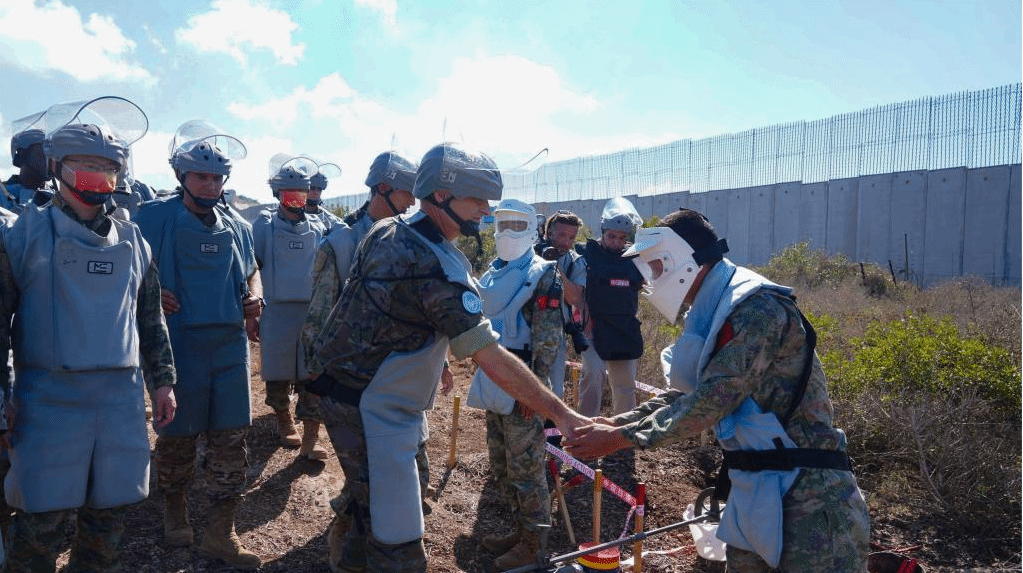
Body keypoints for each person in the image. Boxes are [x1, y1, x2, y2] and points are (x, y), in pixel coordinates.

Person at [306, 142, 586, 573]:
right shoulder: (437, 270)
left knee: (370, 505)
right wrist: (560, 412)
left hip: (347, 390)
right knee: (398, 538)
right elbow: (488, 355)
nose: (485, 210)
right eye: (477, 199)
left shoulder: (388, 230)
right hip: (372, 406)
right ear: (440, 196)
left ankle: (351, 551)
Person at [564, 208, 870, 572]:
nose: (652, 278)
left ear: (682, 261)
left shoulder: (756, 308)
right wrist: (618, 423)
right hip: (757, 488)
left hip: (809, 496)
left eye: (657, 267)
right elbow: (686, 393)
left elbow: (712, 401)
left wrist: (619, 437)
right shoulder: (715, 308)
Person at [0, 96, 178, 572]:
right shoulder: (21, 236)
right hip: (47, 401)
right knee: (39, 526)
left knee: (109, 523)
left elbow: (150, 318)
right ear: (57, 167)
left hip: (119, 401)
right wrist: (2, 401)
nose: (97, 177)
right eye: (84, 165)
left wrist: (162, 382)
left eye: (107, 167)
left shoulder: (134, 240)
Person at [134, 119, 263, 570]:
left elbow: (251, 268)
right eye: (201, 176)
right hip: (179, 345)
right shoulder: (151, 216)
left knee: (231, 440)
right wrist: (146, 291)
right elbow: (125, 262)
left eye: (216, 177)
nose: (210, 185)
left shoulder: (237, 223)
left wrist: (255, 294)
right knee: (177, 437)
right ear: (180, 176)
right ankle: (174, 509)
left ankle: (221, 533)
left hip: (229, 347)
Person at [301, 150, 435, 571]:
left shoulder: (413, 241)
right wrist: (318, 386)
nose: (413, 202)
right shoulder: (339, 243)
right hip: (354, 386)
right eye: (406, 193)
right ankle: (352, 553)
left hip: (403, 382)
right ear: (382, 189)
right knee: (373, 489)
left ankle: (362, 539)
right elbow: (318, 319)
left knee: (415, 473)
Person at [467, 199, 563, 569]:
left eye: (516, 224)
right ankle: (521, 531)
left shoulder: (543, 274)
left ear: (532, 228)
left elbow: (548, 339)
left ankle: (533, 545)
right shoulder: (495, 273)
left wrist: (536, 393)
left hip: (523, 378)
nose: (507, 232)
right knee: (502, 466)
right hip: (495, 374)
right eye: (502, 223)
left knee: (527, 471)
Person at [252, 154, 329, 459]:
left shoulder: (318, 226)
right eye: (289, 194)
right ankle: (284, 420)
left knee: (313, 372)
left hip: (311, 312)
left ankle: (312, 434)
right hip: (276, 310)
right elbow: (253, 267)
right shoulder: (264, 226)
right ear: (277, 194)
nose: (296, 201)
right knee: (278, 371)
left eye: (301, 193)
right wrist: (254, 309)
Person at [578, 197, 644, 417]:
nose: (616, 242)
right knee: (594, 375)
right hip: (592, 327)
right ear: (603, 231)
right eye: (611, 236)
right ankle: (584, 436)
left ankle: (622, 440)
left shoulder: (634, 258)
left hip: (622, 328)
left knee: (625, 385)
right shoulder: (586, 253)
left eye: (622, 238)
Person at [536, 210, 588, 400]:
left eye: (571, 237)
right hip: (524, 329)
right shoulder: (531, 253)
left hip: (555, 333)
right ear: (549, 233)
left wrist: (556, 267)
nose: (566, 242)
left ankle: (550, 429)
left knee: (553, 392)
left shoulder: (575, 262)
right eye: (561, 235)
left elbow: (575, 299)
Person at [1, 125, 52, 212]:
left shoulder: (61, 197)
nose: (49, 159)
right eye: (43, 153)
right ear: (22, 154)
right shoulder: (2, 194)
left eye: (51, 154)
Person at [306, 161, 344, 232]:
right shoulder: (289, 214)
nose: (316, 192)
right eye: (312, 188)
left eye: (319, 189)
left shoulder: (329, 219)